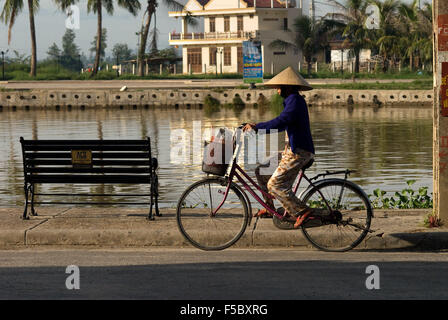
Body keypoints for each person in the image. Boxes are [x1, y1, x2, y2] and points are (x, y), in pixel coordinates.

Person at [243, 66, 316, 229]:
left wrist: (258, 128)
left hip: (299, 152)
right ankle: (270, 208)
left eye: (278, 86)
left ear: (287, 86)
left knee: (275, 185)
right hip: (290, 150)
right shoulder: (292, 101)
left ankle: (302, 211)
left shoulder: (295, 101)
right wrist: (257, 126)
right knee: (262, 171)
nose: (276, 90)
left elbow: (281, 122)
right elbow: (281, 121)